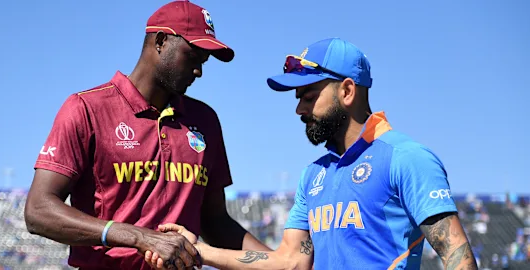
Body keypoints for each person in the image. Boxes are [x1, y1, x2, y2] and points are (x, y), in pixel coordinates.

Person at [145, 37, 479, 269]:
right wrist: (200, 252)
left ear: (347, 91)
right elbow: (289, 262)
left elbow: (458, 257)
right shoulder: (314, 174)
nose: (299, 110)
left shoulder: (406, 158)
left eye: (308, 96)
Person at [23, 1, 270, 269]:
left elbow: (216, 221)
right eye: (192, 56)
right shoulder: (86, 109)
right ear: (161, 41)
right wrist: (139, 237)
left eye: (204, 61)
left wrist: (282, 262)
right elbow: (38, 211)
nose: (199, 71)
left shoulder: (205, 120)